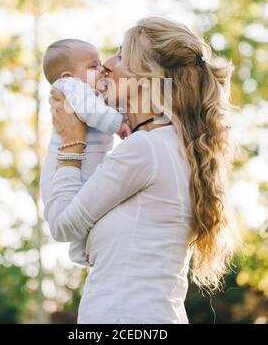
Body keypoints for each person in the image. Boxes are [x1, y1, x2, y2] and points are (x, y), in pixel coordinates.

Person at [42, 17, 239, 324]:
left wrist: (71, 142)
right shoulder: (168, 145)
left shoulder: (146, 150)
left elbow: (62, 226)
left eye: (120, 56)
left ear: (146, 78)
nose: (106, 65)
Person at [40, 38, 130, 266]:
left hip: (86, 166)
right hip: (60, 168)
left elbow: (104, 107)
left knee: (84, 207)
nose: (101, 70)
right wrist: (120, 125)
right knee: (70, 206)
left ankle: (82, 251)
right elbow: (93, 112)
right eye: (93, 66)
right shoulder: (70, 88)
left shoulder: (92, 92)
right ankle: (80, 251)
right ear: (67, 75)